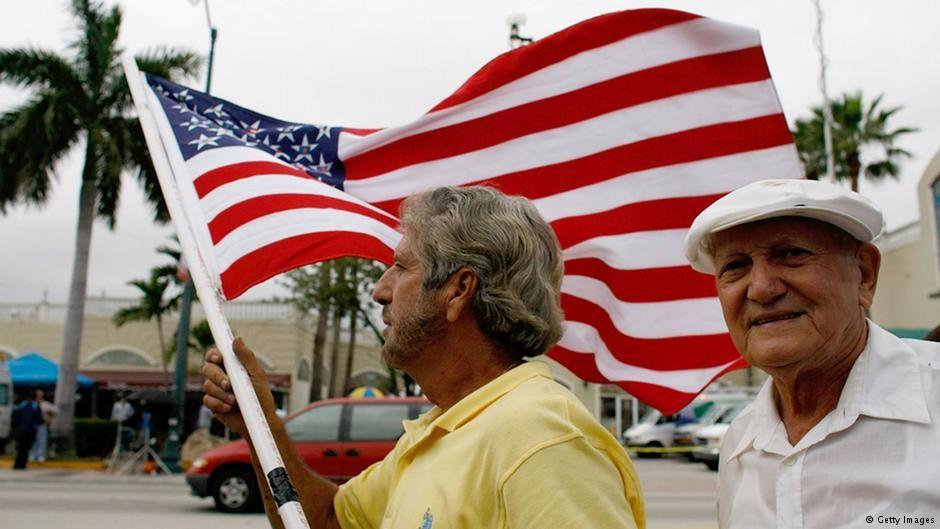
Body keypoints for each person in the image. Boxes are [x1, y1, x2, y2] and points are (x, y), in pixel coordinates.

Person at [203, 186, 645, 529]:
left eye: (401, 267)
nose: (380, 290)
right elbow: (326, 520)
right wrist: (261, 424)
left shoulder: (540, 439)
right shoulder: (442, 429)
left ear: (457, 290)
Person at [684, 179, 940, 528]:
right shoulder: (740, 445)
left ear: (864, 275)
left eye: (791, 254)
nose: (761, 289)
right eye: (735, 266)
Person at [11, 392, 43, 470]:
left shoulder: (22, 405)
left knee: (20, 448)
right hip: (29, 431)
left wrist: (16, 427)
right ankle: (22, 464)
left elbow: (15, 416)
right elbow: (38, 419)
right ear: (35, 398)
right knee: (26, 448)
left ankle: (17, 464)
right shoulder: (35, 406)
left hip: (21, 430)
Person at [28, 389, 56, 462]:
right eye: (37, 394)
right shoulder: (31, 403)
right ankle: (32, 455)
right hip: (32, 425)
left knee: (42, 440)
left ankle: (41, 456)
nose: (39, 396)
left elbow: (54, 412)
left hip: (41, 424)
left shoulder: (45, 404)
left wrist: (48, 420)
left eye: (40, 394)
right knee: (32, 440)